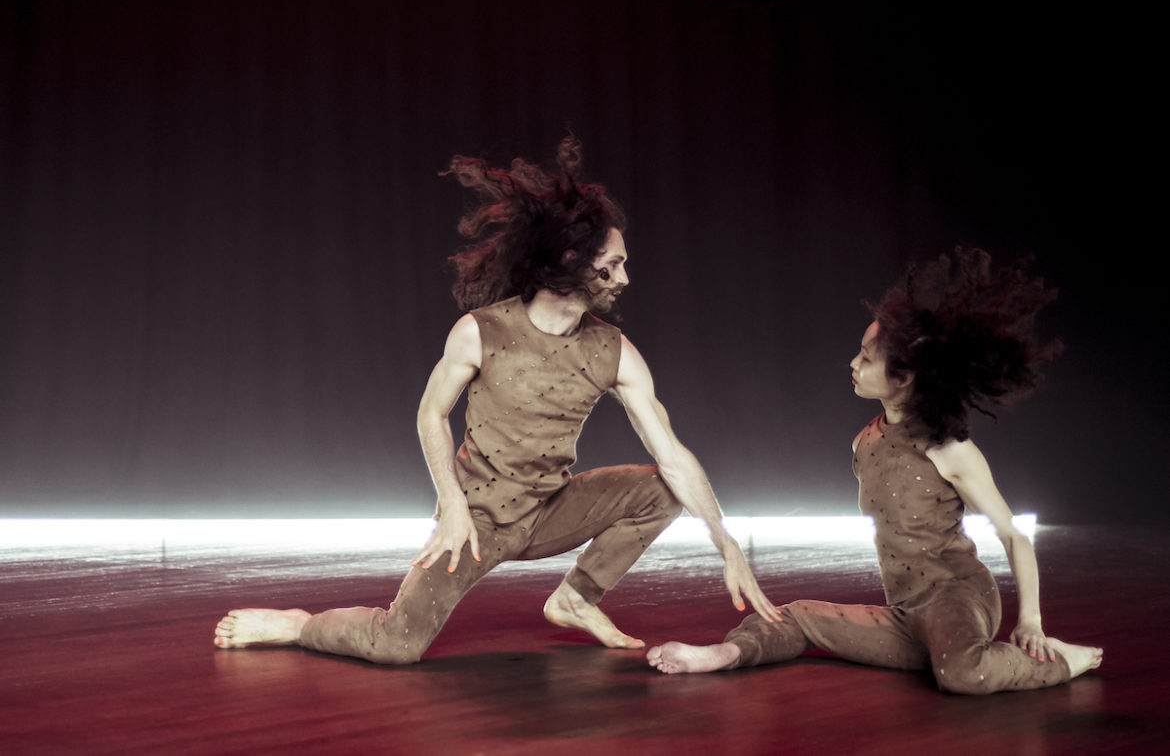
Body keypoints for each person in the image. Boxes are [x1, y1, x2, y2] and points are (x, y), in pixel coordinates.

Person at [213, 136, 776, 664]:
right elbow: (431, 413)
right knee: (396, 645)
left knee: (663, 488)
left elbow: (672, 454)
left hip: (550, 510)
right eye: (612, 264)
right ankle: (299, 626)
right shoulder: (480, 331)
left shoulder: (616, 351)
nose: (624, 277)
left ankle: (576, 598)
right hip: (477, 521)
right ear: (569, 261)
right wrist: (453, 508)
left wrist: (726, 541)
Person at [647, 248, 1103, 693]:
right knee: (796, 616)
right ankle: (724, 654)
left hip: (957, 597)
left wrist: (1031, 621)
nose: (853, 363)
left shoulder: (948, 448)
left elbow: (1013, 535)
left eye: (867, 358)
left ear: (904, 377)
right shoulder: (864, 442)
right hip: (905, 613)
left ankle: (1062, 661)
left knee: (963, 673)